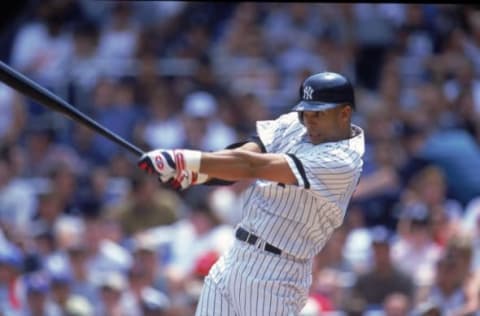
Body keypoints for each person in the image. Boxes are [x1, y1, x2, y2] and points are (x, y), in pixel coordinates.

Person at [137, 71, 365, 315]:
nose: (309, 121)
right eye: (306, 112)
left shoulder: (344, 160)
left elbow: (253, 166)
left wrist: (185, 160)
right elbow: (245, 153)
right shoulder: (296, 125)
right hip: (235, 256)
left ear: (344, 113)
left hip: (277, 275)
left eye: (318, 113)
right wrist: (198, 174)